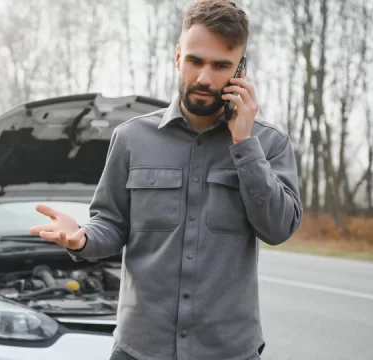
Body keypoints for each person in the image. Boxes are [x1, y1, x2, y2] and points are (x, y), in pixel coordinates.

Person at [29, 0, 303, 359]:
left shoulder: (269, 144)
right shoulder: (130, 139)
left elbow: (278, 229)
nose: (205, 77)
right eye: (195, 60)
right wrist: (81, 238)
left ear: (241, 70)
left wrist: (244, 144)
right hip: (141, 348)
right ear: (178, 57)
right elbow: (111, 225)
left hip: (228, 351)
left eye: (221, 65)